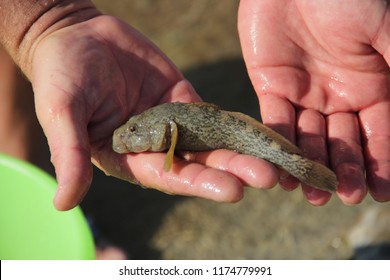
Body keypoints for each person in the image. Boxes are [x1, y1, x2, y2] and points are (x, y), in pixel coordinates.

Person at [0, 0, 389, 213]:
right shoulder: (155, 124)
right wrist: (42, 21)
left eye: (134, 131)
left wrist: (45, 20)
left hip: (227, 129)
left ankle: (299, 165)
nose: (128, 137)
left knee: (274, 154)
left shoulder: (164, 131)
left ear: (164, 137)